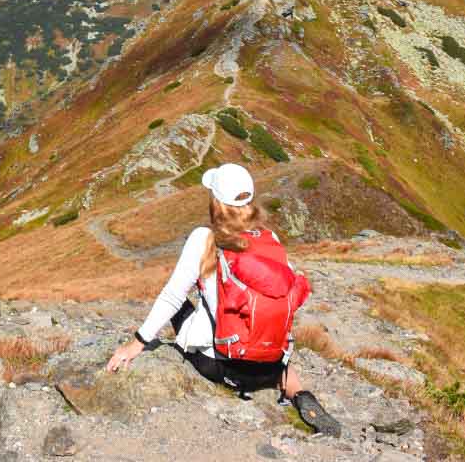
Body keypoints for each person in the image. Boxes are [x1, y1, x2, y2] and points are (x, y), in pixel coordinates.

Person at [107, 163, 342, 436]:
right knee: (272, 355)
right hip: (270, 367)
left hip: (222, 366)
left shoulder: (204, 239)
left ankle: (216, 356)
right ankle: (300, 393)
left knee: (181, 304)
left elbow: (172, 295)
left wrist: (135, 344)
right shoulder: (270, 239)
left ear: (216, 202)